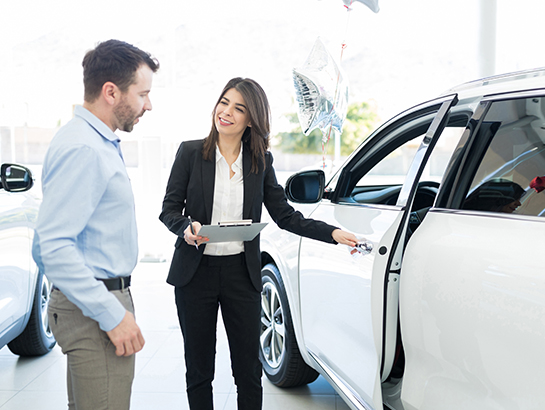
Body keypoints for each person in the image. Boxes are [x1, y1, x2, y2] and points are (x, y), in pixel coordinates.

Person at [159, 77, 358, 410]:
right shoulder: (191, 152)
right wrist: (186, 227)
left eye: (238, 108)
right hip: (195, 274)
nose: (226, 112)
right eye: (224, 102)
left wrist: (332, 233)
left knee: (248, 371)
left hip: (241, 274)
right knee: (199, 370)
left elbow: (284, 215)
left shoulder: (259, 160)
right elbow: (169, 209)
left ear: (251, 119)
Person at [32, 39, 159, 410]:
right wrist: (111, 314)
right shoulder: (84, 148)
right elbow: (50, 247)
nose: (148, 105)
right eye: (143, 94)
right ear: (110, 92)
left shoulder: (93, 141)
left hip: (96, 302)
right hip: (96, 309)